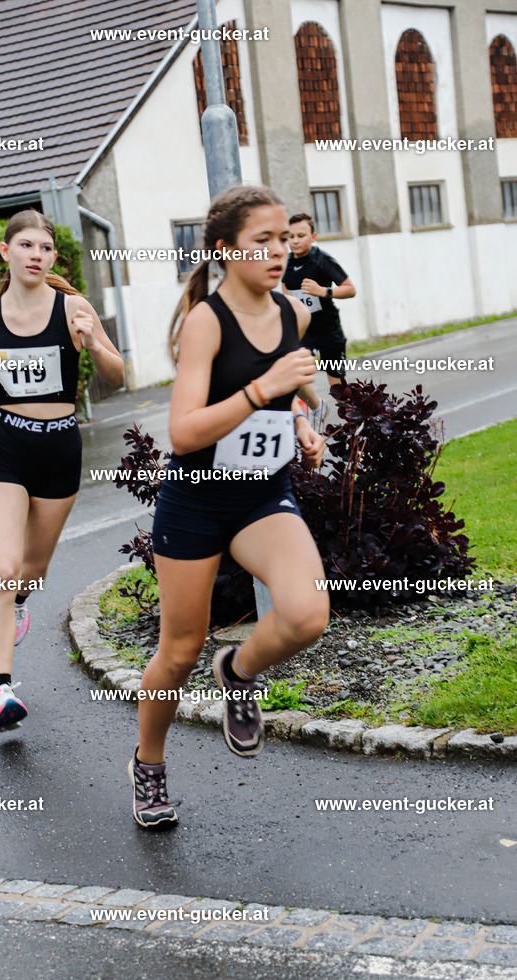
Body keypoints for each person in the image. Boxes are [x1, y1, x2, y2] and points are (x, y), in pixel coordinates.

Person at [128, 185, 330, 829]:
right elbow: (184, 431)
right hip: (197, 502)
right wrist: (260, 389)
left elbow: (287, 397)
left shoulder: (293, 312)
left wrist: (298, 421)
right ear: (224, 249)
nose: (279, 251)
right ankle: (149, 764)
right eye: (261, 241)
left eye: (283, 238)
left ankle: (238, 672)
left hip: (263, 495)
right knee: (177, 652)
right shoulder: (206, 322)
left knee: (306, 615)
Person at [0, 209, 124, 730]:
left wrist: (91, 341)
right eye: (25, 246)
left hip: (59, 452)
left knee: (31, 570)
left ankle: (21, 599)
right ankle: (2, 691)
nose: (36, 256)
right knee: (1, 568)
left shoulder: (73, 307)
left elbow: (116, 375)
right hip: (7, 451)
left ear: (52, 257)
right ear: (7, 252)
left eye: (45, 249)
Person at [281, 213, 356, 432]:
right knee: (293, 374)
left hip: (328, 330)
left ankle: (354, 427)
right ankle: (316, 407)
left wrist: (322, 291)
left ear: (313, 237)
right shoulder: (284, 262)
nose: (295, 240)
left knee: (338, 386)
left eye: (301, 235)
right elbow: (287, 292)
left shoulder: (322, 259)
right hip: (303, 330)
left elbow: (350, 289)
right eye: (291, 236)